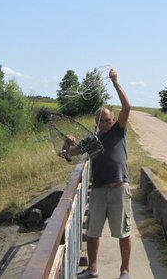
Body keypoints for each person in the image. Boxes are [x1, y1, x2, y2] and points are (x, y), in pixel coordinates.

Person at [63, 68, 132, 279]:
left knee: (124, 232)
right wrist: (68, 144)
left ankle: (125, 271)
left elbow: (127, 107)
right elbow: (70, 154)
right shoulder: (91, 140)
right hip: (99, 189)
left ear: (112, 120)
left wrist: (115, 82)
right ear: (96, 123)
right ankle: (92, 269)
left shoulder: (118, 130)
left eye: (107, 120)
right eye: (100, 121)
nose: (104, 123)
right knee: (92, 233)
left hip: (119, 187)